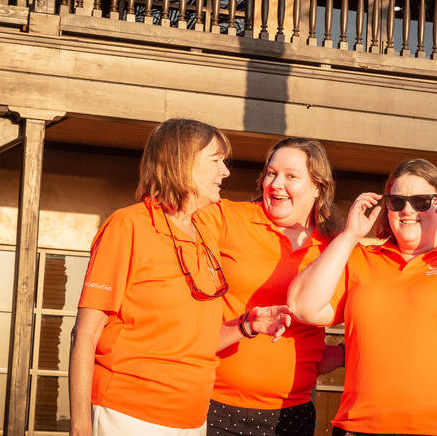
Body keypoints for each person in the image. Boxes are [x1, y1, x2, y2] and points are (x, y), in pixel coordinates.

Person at [69, 119, 290, 436]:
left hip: (193, 419)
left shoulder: (204, 235)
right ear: (182, 162)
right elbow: (85, 335)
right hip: (129, 414)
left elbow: (196, 342)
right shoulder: (127, 226)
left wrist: (247, 325)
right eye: (216, 161)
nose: (225, 172)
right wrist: (80, 426)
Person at [288, 158, 437, 436]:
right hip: (363, 428)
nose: (408, 210)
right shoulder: (360, 259)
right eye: (397, 202)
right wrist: (350, 235)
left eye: (422, 201)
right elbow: (302, 306)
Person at [196, 137, 343, 436]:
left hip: (291, 411)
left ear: (318, 187)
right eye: (271, 173)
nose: (275, 184)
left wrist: (341, 354)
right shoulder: (226, 217)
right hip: (212, 402)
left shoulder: (335, 248)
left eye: (291, 176)